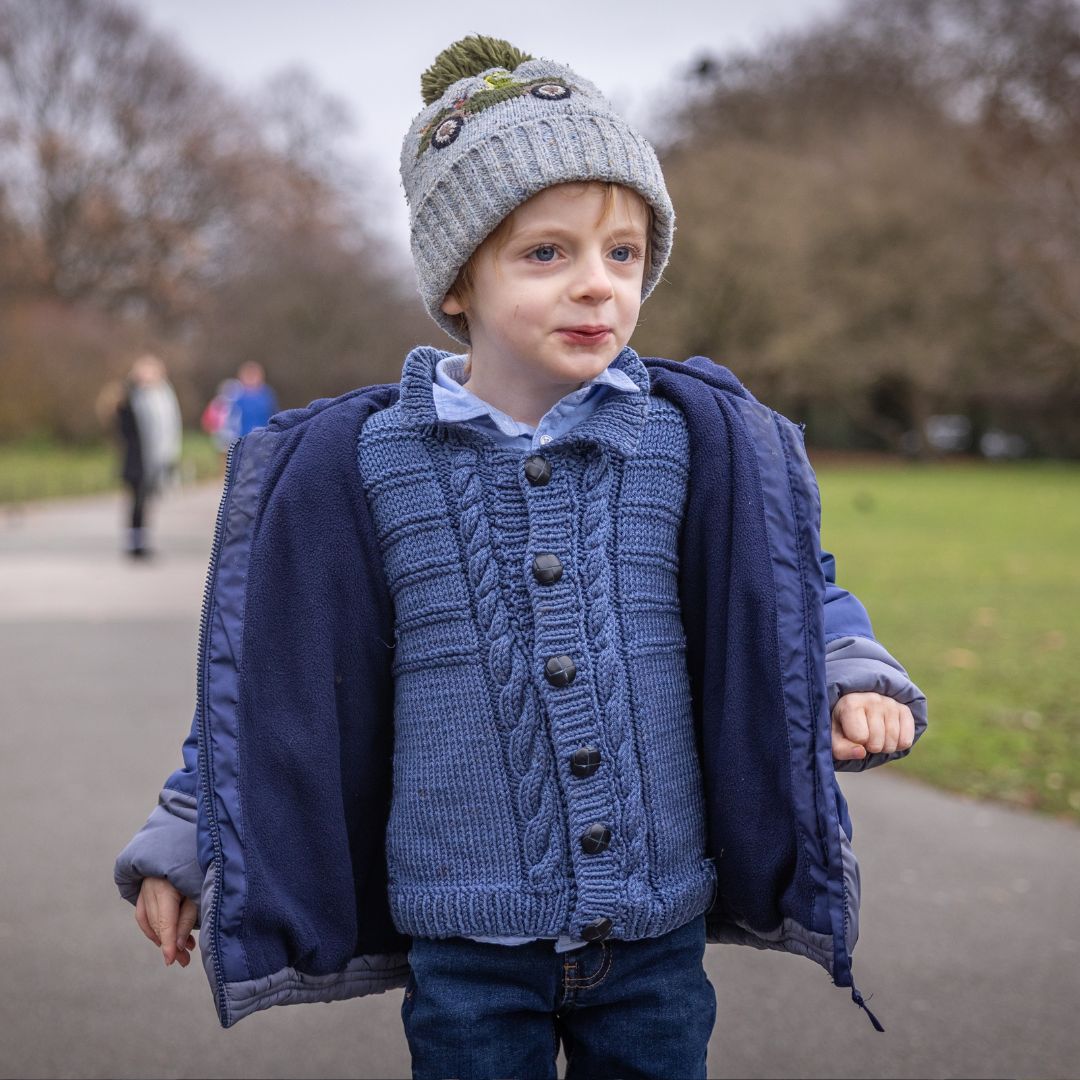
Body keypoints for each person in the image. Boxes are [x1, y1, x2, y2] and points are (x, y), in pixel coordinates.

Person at [114, 37, 927, 1078]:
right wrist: (189, 833)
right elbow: (266, 671)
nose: (597, 287)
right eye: (548, 255)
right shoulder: (371, 461)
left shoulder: (682, 439)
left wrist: (849, 671)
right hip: (465, 938)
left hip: (654, 920)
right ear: (459, 281)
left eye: (622, 255)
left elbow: (780, 590)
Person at [113, 354, 182, 559]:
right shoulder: (129, 397)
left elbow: (168, 428)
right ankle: (134, 543)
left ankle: (142, 540)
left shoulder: (163, 397)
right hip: (136, 458)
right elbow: (122, 428)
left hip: (155, 458)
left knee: (147, 502)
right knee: (136, 501)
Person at [229, 361, 277, 437]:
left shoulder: (267, 395)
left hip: (263, 438)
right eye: (248, 376)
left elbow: (274, 415)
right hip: (241, 439)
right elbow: (229, 420)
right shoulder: (235, 395)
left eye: (254, 375)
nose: (251, 379)